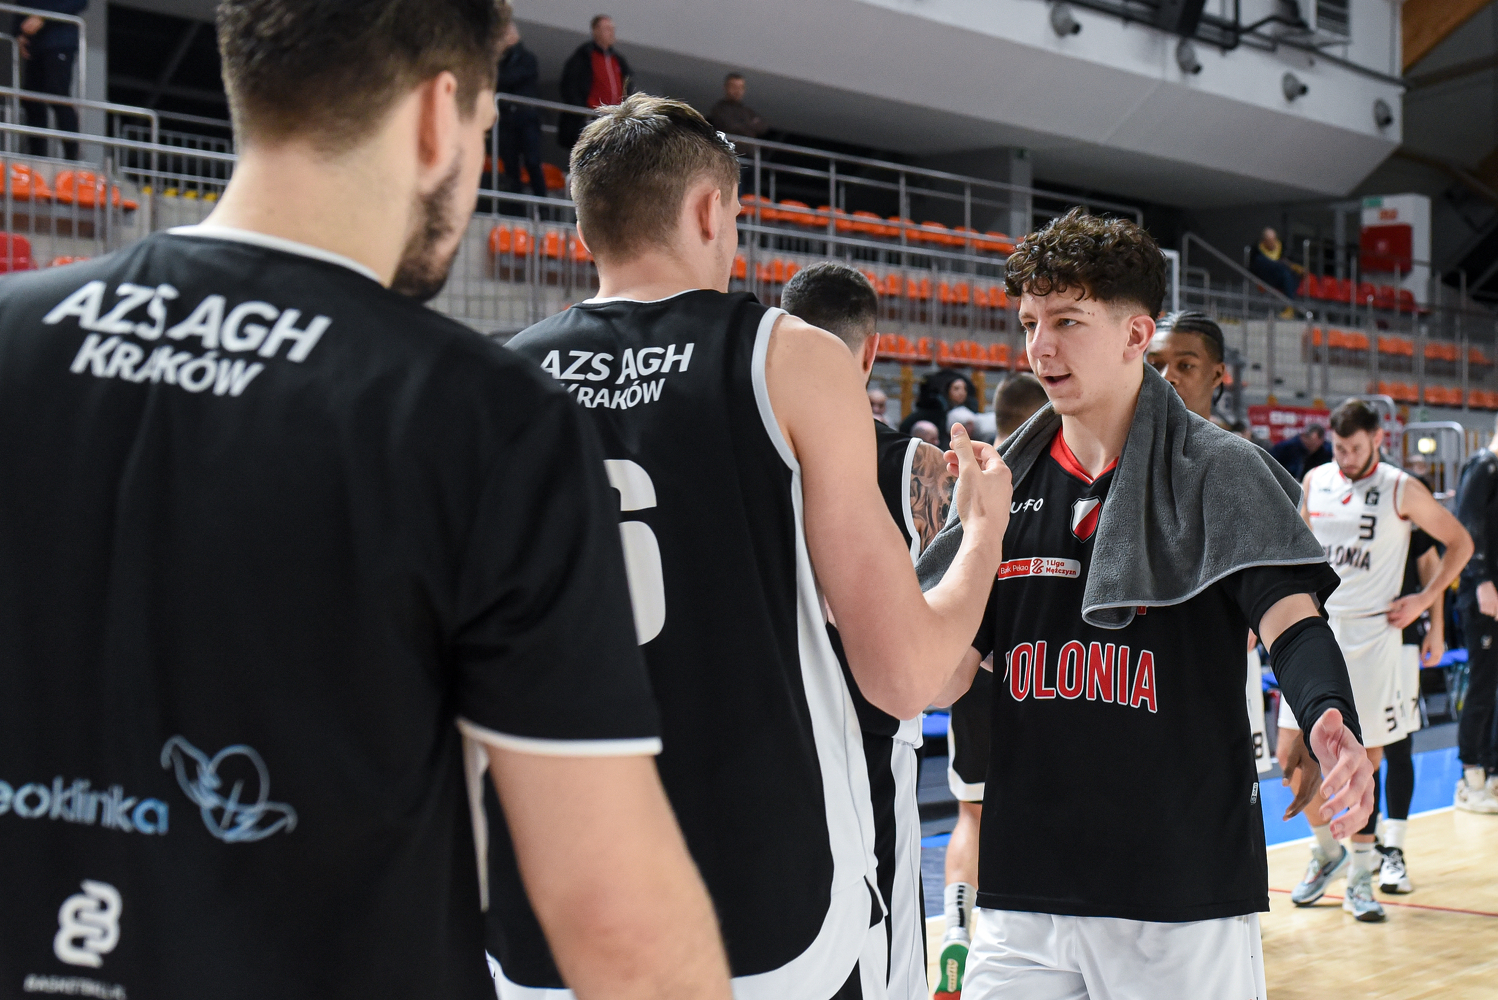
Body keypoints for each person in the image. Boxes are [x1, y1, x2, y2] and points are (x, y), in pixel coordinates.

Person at [0, 5, 735, 1000]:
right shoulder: (485, 417)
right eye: (484, 130)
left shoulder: (13, 332)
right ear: (438, 115)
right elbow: (615, 918)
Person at [489, 94, 1011, 999]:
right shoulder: (792, 359)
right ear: (708, 210)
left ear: (583, 230)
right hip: (769, 899)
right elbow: (903, 678)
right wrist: (985, 534)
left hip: (550, 905)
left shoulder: (498, 379)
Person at [917, 208, 1377, 999]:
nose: (1040, 347)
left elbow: (1294, 623)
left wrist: (1327, 711)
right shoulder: (1002, 487)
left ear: (1136, 334)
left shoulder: (1222, 471)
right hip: (1024, 891)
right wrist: (957, 546)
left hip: (1178, 892)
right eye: (1029, 323)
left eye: (1067, 321)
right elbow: (944, 676)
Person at [782, 261, 956, 1000]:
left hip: (770, 727)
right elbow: (950, 643)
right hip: (876, 730)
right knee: (884, 961)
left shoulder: (745, 451)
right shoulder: (918, 466)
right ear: (872, 350)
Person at [1276, 399, 1471, 922]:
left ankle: (1362, 875)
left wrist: (1425, 601)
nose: (1345, 457)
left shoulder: (1401, 488)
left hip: (1373, 636)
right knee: (1289, 753)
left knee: (1363, 762)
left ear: (1379, 439)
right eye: (1339, 448)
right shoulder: (1316, 480)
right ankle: (1327, 852)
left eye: (1354, 448)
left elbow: (1459, 543)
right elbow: (1295, 553)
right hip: (1314, 629)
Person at [935, 372, 1046, 1000]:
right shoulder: (1057, 477)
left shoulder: (965, 481)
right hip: (1036, 672)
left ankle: (956, 932)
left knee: (970, 815)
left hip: (969, 668)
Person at [1150, 313, 1276, 777]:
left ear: (1218, 374)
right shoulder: (1111, 456)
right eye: (1156, 364)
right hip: (1134, 673)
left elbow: (1279, 584)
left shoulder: (1241, 467)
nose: (1168, 377)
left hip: (1215, 666)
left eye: (1186, 365)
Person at [1376, 525, 1444, 894]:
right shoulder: (1326, 501)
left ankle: (1394, 849)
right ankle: (1368, 844)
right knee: (1358, 747)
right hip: (1349, 638)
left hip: (1400, 637)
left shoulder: (1405, 502)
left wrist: (1436, 627)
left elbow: (1431, 566)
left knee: (1398, 746)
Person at [1452, 419, 1498, 812]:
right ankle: (1471, 776)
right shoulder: (1484, 465)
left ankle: (1493, 771)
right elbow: (1468, 528)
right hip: (1482, 594)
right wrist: (1482, 580)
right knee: (1483, 684)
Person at [15, 0, 86, 160]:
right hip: (35, 44)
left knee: (57, 93)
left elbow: (80, 2)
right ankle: (36, 155)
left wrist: (43, 17)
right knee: (31, 99)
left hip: (60, 41)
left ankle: (72, 155)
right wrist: (19, 32)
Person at [557, 15, 631, 152]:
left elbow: (628, 85)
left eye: (612, 29)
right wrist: (581, 109)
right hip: (591, 118)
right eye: (607, 29)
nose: (611, 33)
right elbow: (570, 85)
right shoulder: (584, 56)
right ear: (596, 31)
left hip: (613, 120)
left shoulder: (618, 60)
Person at [495, 22, 548, 201]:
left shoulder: (527, 58)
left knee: (532, 161)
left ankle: (542, 205)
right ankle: (515, 208)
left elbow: (511, 78)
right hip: (507, 117)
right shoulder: (500, 60)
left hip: (526, 116)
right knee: (510, 164)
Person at [900, 370, 976, 449]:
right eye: (956, 389)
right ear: (947, 390)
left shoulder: (968, 411)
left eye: (965, 389)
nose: (962, 393)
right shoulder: (934, 412)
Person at [1248, 227, 1302, 303]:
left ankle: (1290, 304)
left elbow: (1288, 261)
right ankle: (1290, 303)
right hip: (1266, 278)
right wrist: (1286, 266)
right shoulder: (1257, 254)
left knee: (1289, 275)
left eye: (1274, 240)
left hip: (1281, 277)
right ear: (1264, 241)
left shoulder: (1283, 250)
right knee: (1285, 272)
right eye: (1270, 241)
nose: (1272, 243)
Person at [707, 73, 768, 138]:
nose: (737, 90)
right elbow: (730, 127)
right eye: (734, 87)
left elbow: (763, 127)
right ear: (726, 87)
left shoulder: (747, 111)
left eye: (741, 87)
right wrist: (749, 125)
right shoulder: (719, 109)